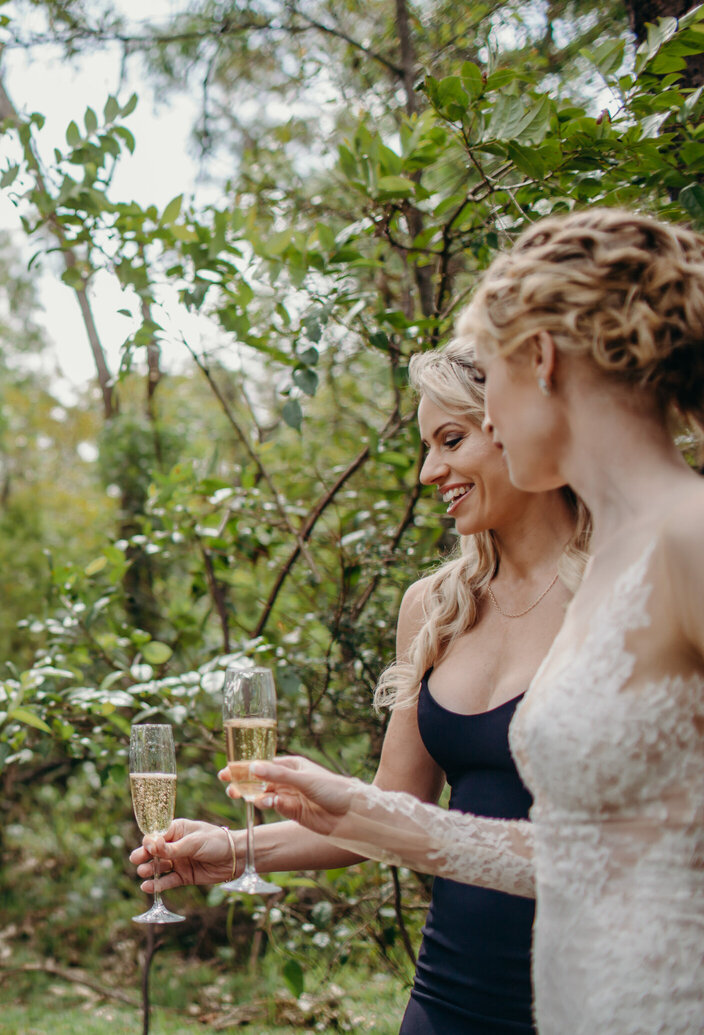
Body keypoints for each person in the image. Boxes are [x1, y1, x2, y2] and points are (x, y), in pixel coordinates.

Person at [242, 209, 704, 1034]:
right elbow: (577, 857)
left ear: (540, 360)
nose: (488, 419)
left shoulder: (687, 534)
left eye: (487, 383)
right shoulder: (623, 559)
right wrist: (349, 805)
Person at [131, 341, 589, 1034]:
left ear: (519, 423)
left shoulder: (628, 586)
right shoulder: (435, 607)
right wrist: (236, 851)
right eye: (427, 445)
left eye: (451, 439)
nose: (430, 471)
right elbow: (395, 808)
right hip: (447, 996)